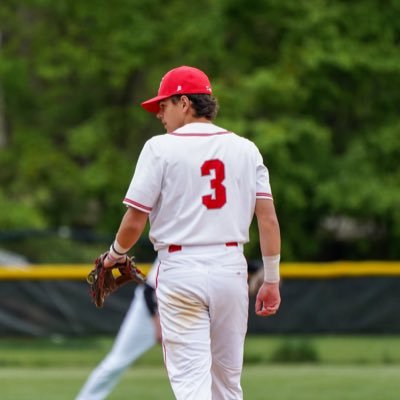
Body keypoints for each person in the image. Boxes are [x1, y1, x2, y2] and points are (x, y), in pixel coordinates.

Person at [102, 65, 281, 400]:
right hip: (231, 267)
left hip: (181, 270)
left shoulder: (159, 148)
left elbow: (135, 219)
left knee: (191, 386)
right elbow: (268, 220)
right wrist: (271, 279)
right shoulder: (246, 148)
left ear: (184, 102)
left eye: (163, 105)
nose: (159, 114)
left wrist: (115, 254)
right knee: (228, 385)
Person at [75, 261, 161, 400]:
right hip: (148, 313)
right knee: (117, 361)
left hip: (182, 310)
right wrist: (157, 324)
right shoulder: (174, 244)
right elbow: (149, 290)